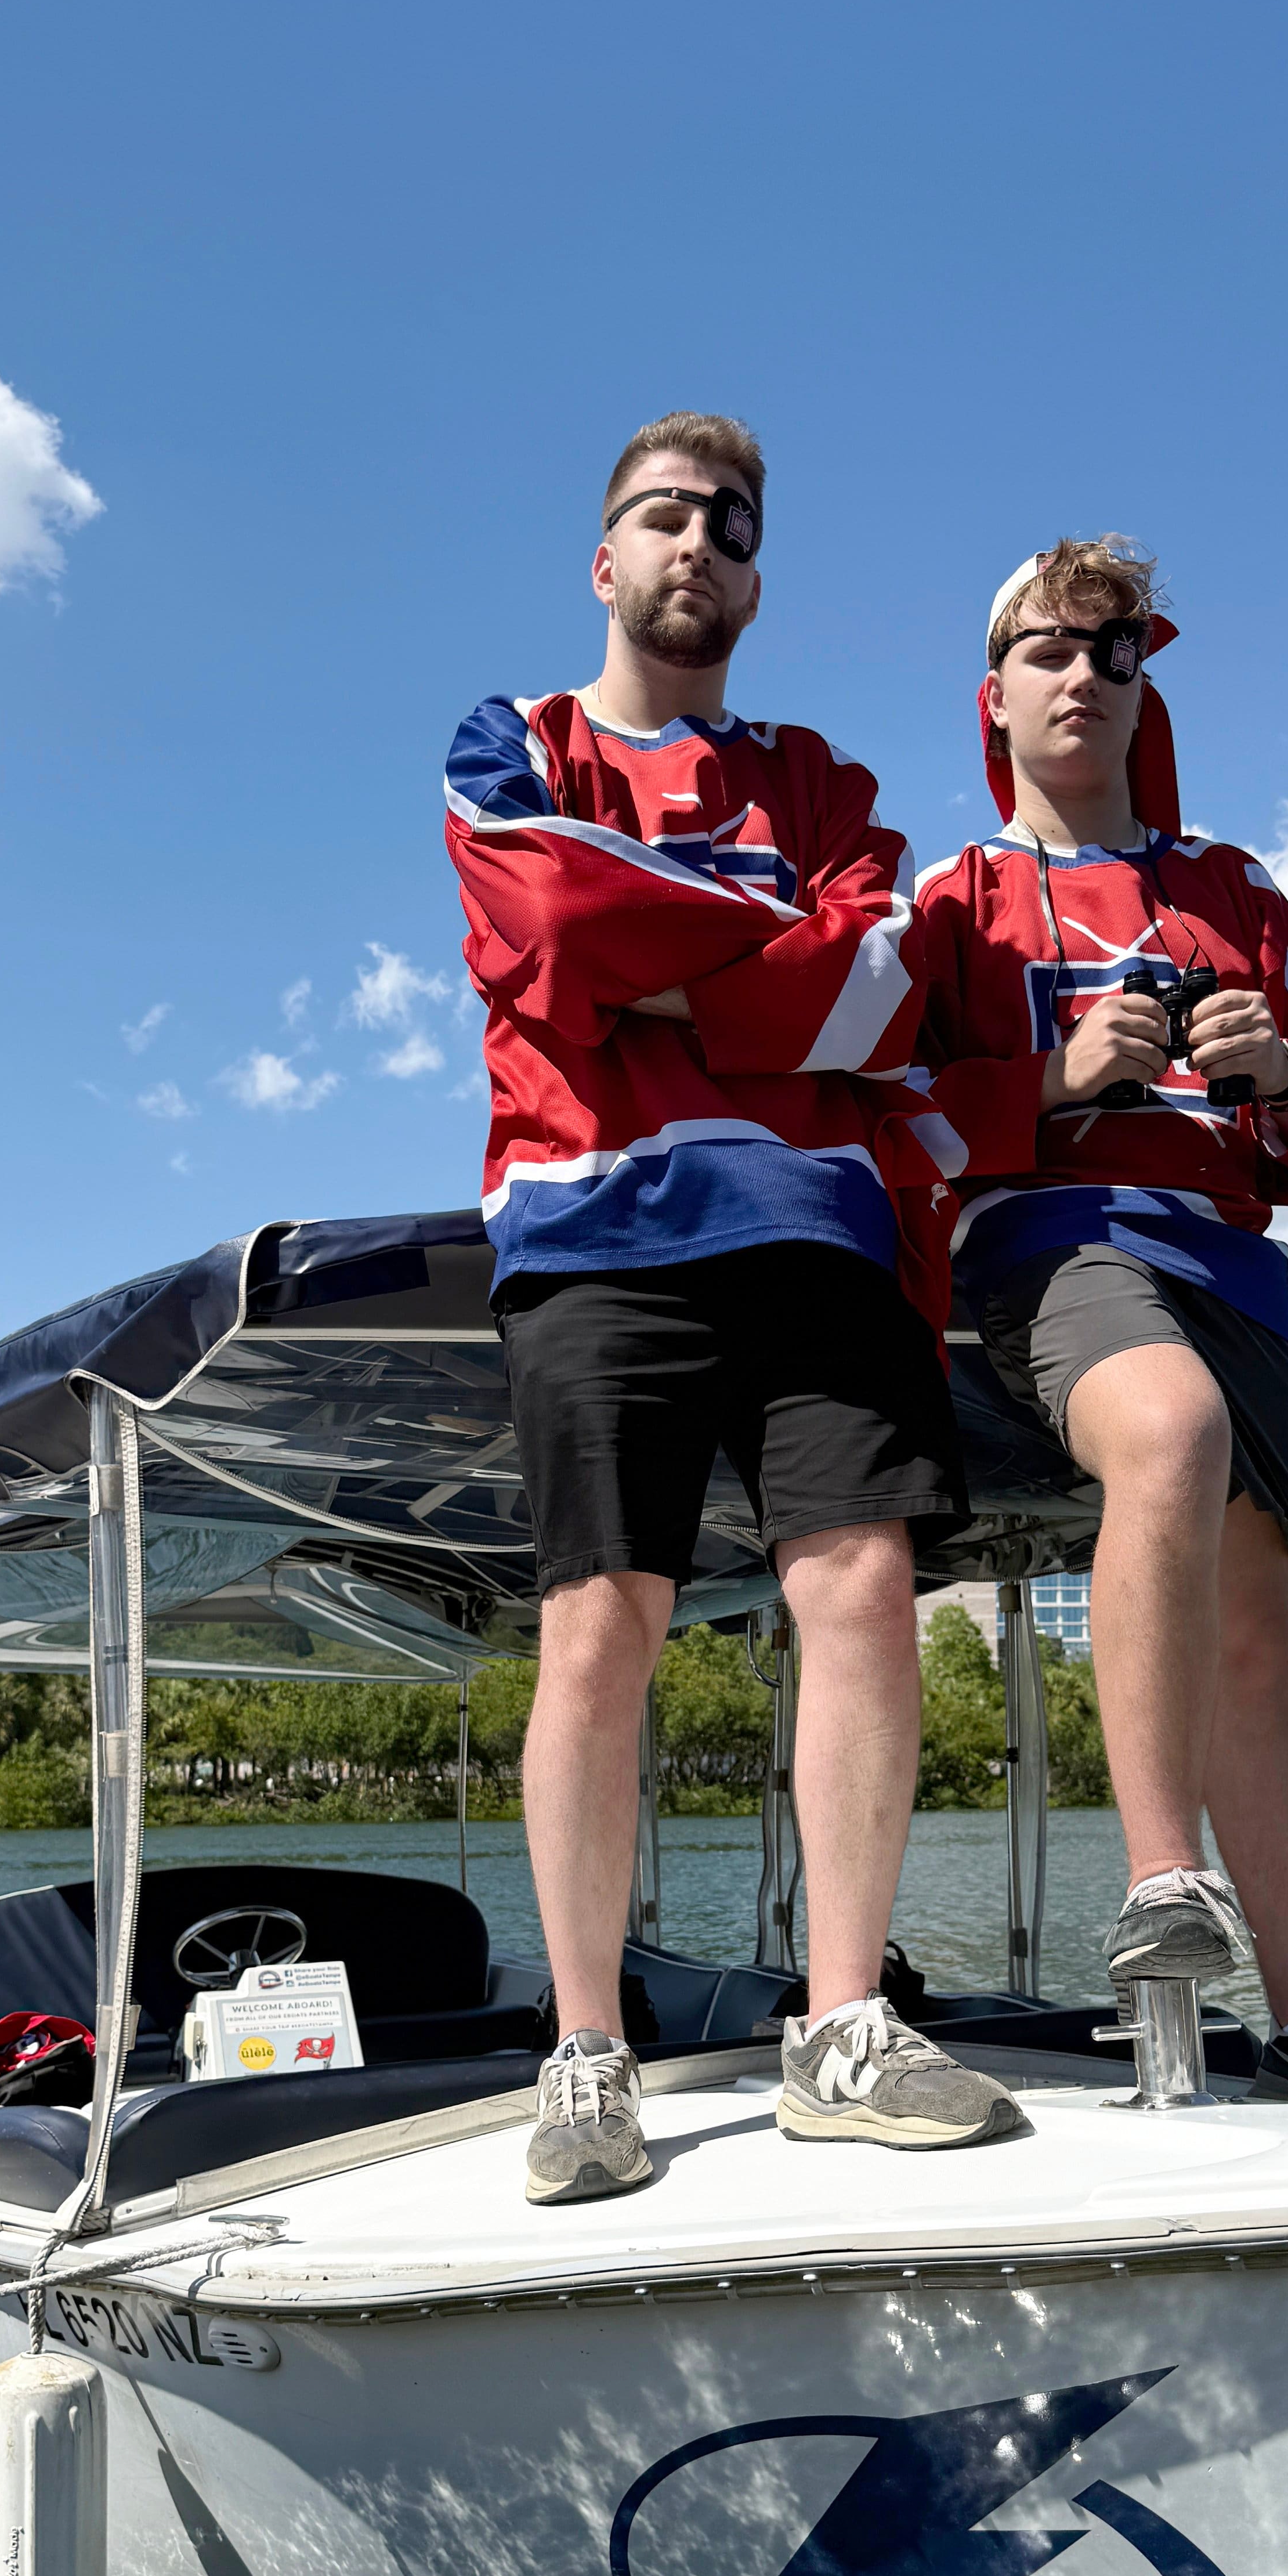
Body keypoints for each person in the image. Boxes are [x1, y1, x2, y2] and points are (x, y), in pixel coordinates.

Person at [444, 413, 1012, 2203]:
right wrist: (751, 960)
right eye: (665, 516)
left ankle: (839, 2026)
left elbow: (876, 982)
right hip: (591, 1229)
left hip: (820, 1230)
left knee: (861, 1590)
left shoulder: (824, 786)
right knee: (598, 1622)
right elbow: (546, 918)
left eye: (734, 527)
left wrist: (659, 975)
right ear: (604, 558)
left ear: (757, 585)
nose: (699, 544)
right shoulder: (511, 745)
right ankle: (585, 2052)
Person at [911, 536, 1288, 2115]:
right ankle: (1164, 1884)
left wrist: (1279, 1072)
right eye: (1048, 651)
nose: (1083, 678)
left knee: (1255, 1649)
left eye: (1115, 655)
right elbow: (878, 1116)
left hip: (1229, 1258)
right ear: (994, 693)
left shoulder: (1234, 890)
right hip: (1052, 1240)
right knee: (1169, 1429)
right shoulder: (949, 906)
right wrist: (1054, 1080)